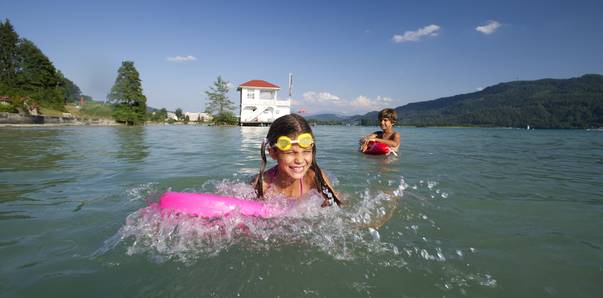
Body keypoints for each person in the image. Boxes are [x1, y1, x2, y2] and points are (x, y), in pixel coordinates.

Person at [251, 114, 342, 207]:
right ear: (273, 153)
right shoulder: (263, 184)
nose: (299, 160)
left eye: (306, 151)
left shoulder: (315, 178)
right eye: (290, 152)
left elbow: (339, 204)